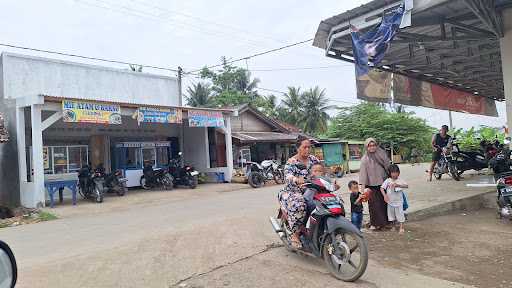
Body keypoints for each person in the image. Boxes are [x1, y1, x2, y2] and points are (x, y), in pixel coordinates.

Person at [279, 137, 320, 248]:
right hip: (293, 191)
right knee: (300, 205)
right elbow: (287, 176)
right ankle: (295, 234)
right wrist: (296, 179)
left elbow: (321, 170)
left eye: (309, 147)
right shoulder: (292, 161)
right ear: (298, 148)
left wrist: (331, 180)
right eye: (304, 147)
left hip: (311, 189)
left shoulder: (313, 159)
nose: (307, 149)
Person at [359, 138, 391, 230]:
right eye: (370, 146)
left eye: (373, 145)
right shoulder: (364, 159)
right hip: (371, 186)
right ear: (366, 147)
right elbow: (363, 176)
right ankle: (374, 224)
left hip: (383, 184)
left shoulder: (382, 154)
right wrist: (362, 192)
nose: (372, 147)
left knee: (384, 204)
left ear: (376, 146)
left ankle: (386, 223)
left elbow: (388, 167)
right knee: (373, 206)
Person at [381, 164, 408, 234]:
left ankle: (401, 227)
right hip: (390, 201)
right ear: (390, 173)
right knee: (391, 215)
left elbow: (406, 185)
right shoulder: (388, 180)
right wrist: (385, 196)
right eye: (392, 172)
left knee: (400, 214)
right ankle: (393, 226)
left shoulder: (400, 180)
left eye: (396, 172)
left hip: (399, 201)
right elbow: (381, 188)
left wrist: (398, 185)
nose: (394, 174)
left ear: (399, 173)